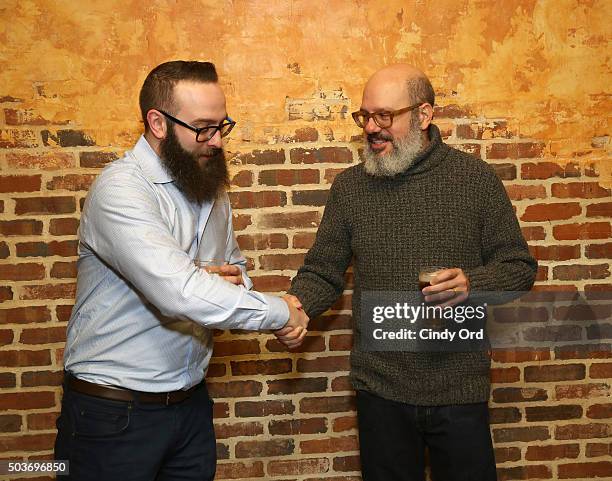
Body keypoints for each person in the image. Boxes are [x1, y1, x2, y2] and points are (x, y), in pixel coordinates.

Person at [54, 60, 307, 481]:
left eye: (222, 126)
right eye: (203, 127)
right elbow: (180, 293)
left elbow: (236, 272)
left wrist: (223, 283)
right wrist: (280, 312)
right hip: (114, 414)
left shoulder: (209, 185)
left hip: (189, 407)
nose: (217, 141)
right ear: (158, 122)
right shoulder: (121, 190)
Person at [286, 64, 537, 481]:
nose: (371, 127)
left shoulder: (474, 180)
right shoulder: (350, 187)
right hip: (380, 392)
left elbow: (518, 267)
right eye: (364, 116)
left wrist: (475, 284)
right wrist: (295, 307)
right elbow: (323, 271)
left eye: (384, 116)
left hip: (459, 391)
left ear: (423, 115)